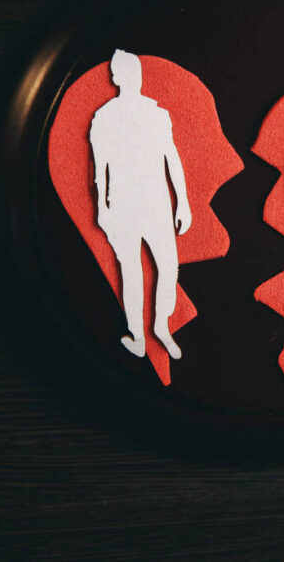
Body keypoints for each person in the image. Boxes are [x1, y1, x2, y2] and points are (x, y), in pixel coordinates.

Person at [89, 49, 191, 360]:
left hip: (157, 204)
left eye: (136, 72)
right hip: (122, 207)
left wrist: (183, 201)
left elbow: (171, 158)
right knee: (131, 271)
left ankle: (161, 325)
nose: (133, 78)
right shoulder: (103, 117)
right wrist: (102, 211)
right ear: (117, 78)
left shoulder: (157, 114)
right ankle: (137, 335)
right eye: (126, 72)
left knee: (168, 266)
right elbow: (99, 168)